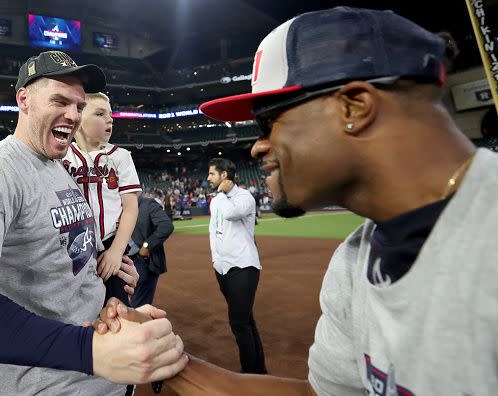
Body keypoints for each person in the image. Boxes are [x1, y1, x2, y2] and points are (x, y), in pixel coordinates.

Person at [102, 6, 498, 395]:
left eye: (269, 121)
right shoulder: (353, 260)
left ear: (354, 106)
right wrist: (158, 359)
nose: (257, 147)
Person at [0, 50, 187, 395]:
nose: (73, 115)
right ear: (24, 99)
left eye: (79, 106)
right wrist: (89, 350)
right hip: (47, 384)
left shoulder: (59, 170)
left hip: (101, 376)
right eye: (60, 101)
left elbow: (74, 263)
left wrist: (112, 290)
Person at [63, 92, 141, 305]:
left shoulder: (121, 156)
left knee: (116, 311)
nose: (110, 119)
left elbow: (131, 207)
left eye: (110, 115)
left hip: (110, 244)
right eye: (100, 113)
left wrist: (116, 251)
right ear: (78, 117)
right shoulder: (61, 155)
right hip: (70, 247)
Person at [206, 157, 266, 374]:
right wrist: (215, 260)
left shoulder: (244, 197)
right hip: (223, 268)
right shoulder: (217, 200)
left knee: (239, 323)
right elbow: (214, 231)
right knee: (246, 320)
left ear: (224, 175)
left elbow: (231, 214)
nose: (208, 178)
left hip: (243, 267)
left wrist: (222, 194)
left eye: (212, 174)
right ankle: (259, 370)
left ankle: (250, 374)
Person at [129, 194, 174, 307]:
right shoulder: (121, 207)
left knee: (139, 305)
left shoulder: (148, 204)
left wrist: (147, 245)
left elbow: (166, 225)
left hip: (144, 261)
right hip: (125, 261)